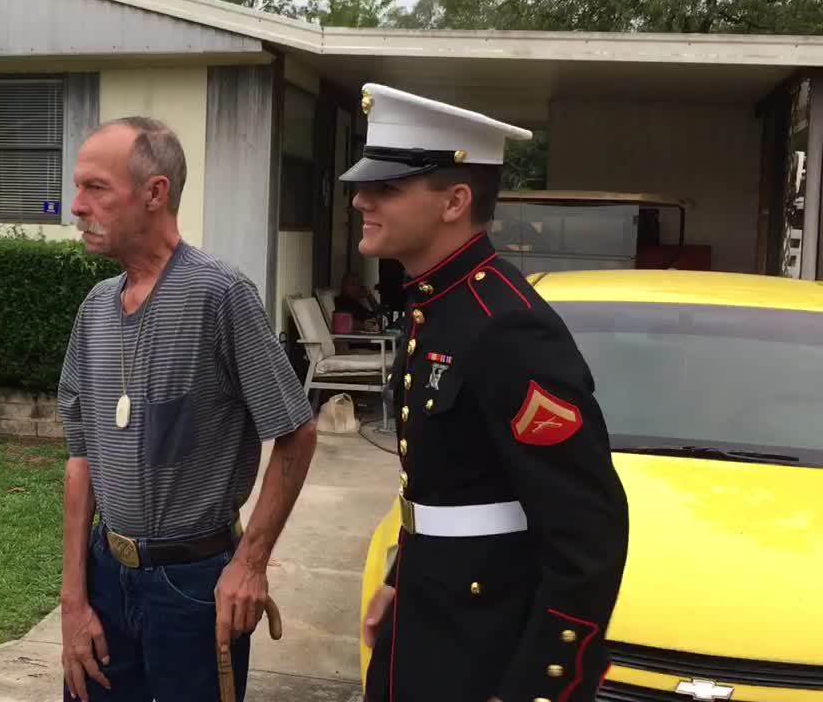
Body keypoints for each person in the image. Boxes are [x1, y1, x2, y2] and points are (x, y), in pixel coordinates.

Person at [345, 84, 630, 702]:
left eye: (386, 187)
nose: (360, 199)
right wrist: (399, 577)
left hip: (484, 649)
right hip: (429, 616)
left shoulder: (506, 326)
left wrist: (538, 688)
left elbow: (587, 538)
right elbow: (450, 486)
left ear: (455, 200)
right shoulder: (436, 308)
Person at [57, 117, 318, 702]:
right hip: (105, 574)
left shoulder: (219, 295)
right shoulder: (95, 310)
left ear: (155, 193)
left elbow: (296, 432)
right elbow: (81, 461)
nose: (76, 205)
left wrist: (250, 564)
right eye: (78, 187)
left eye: (96, 188)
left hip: (194, 581)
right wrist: (74, 600)